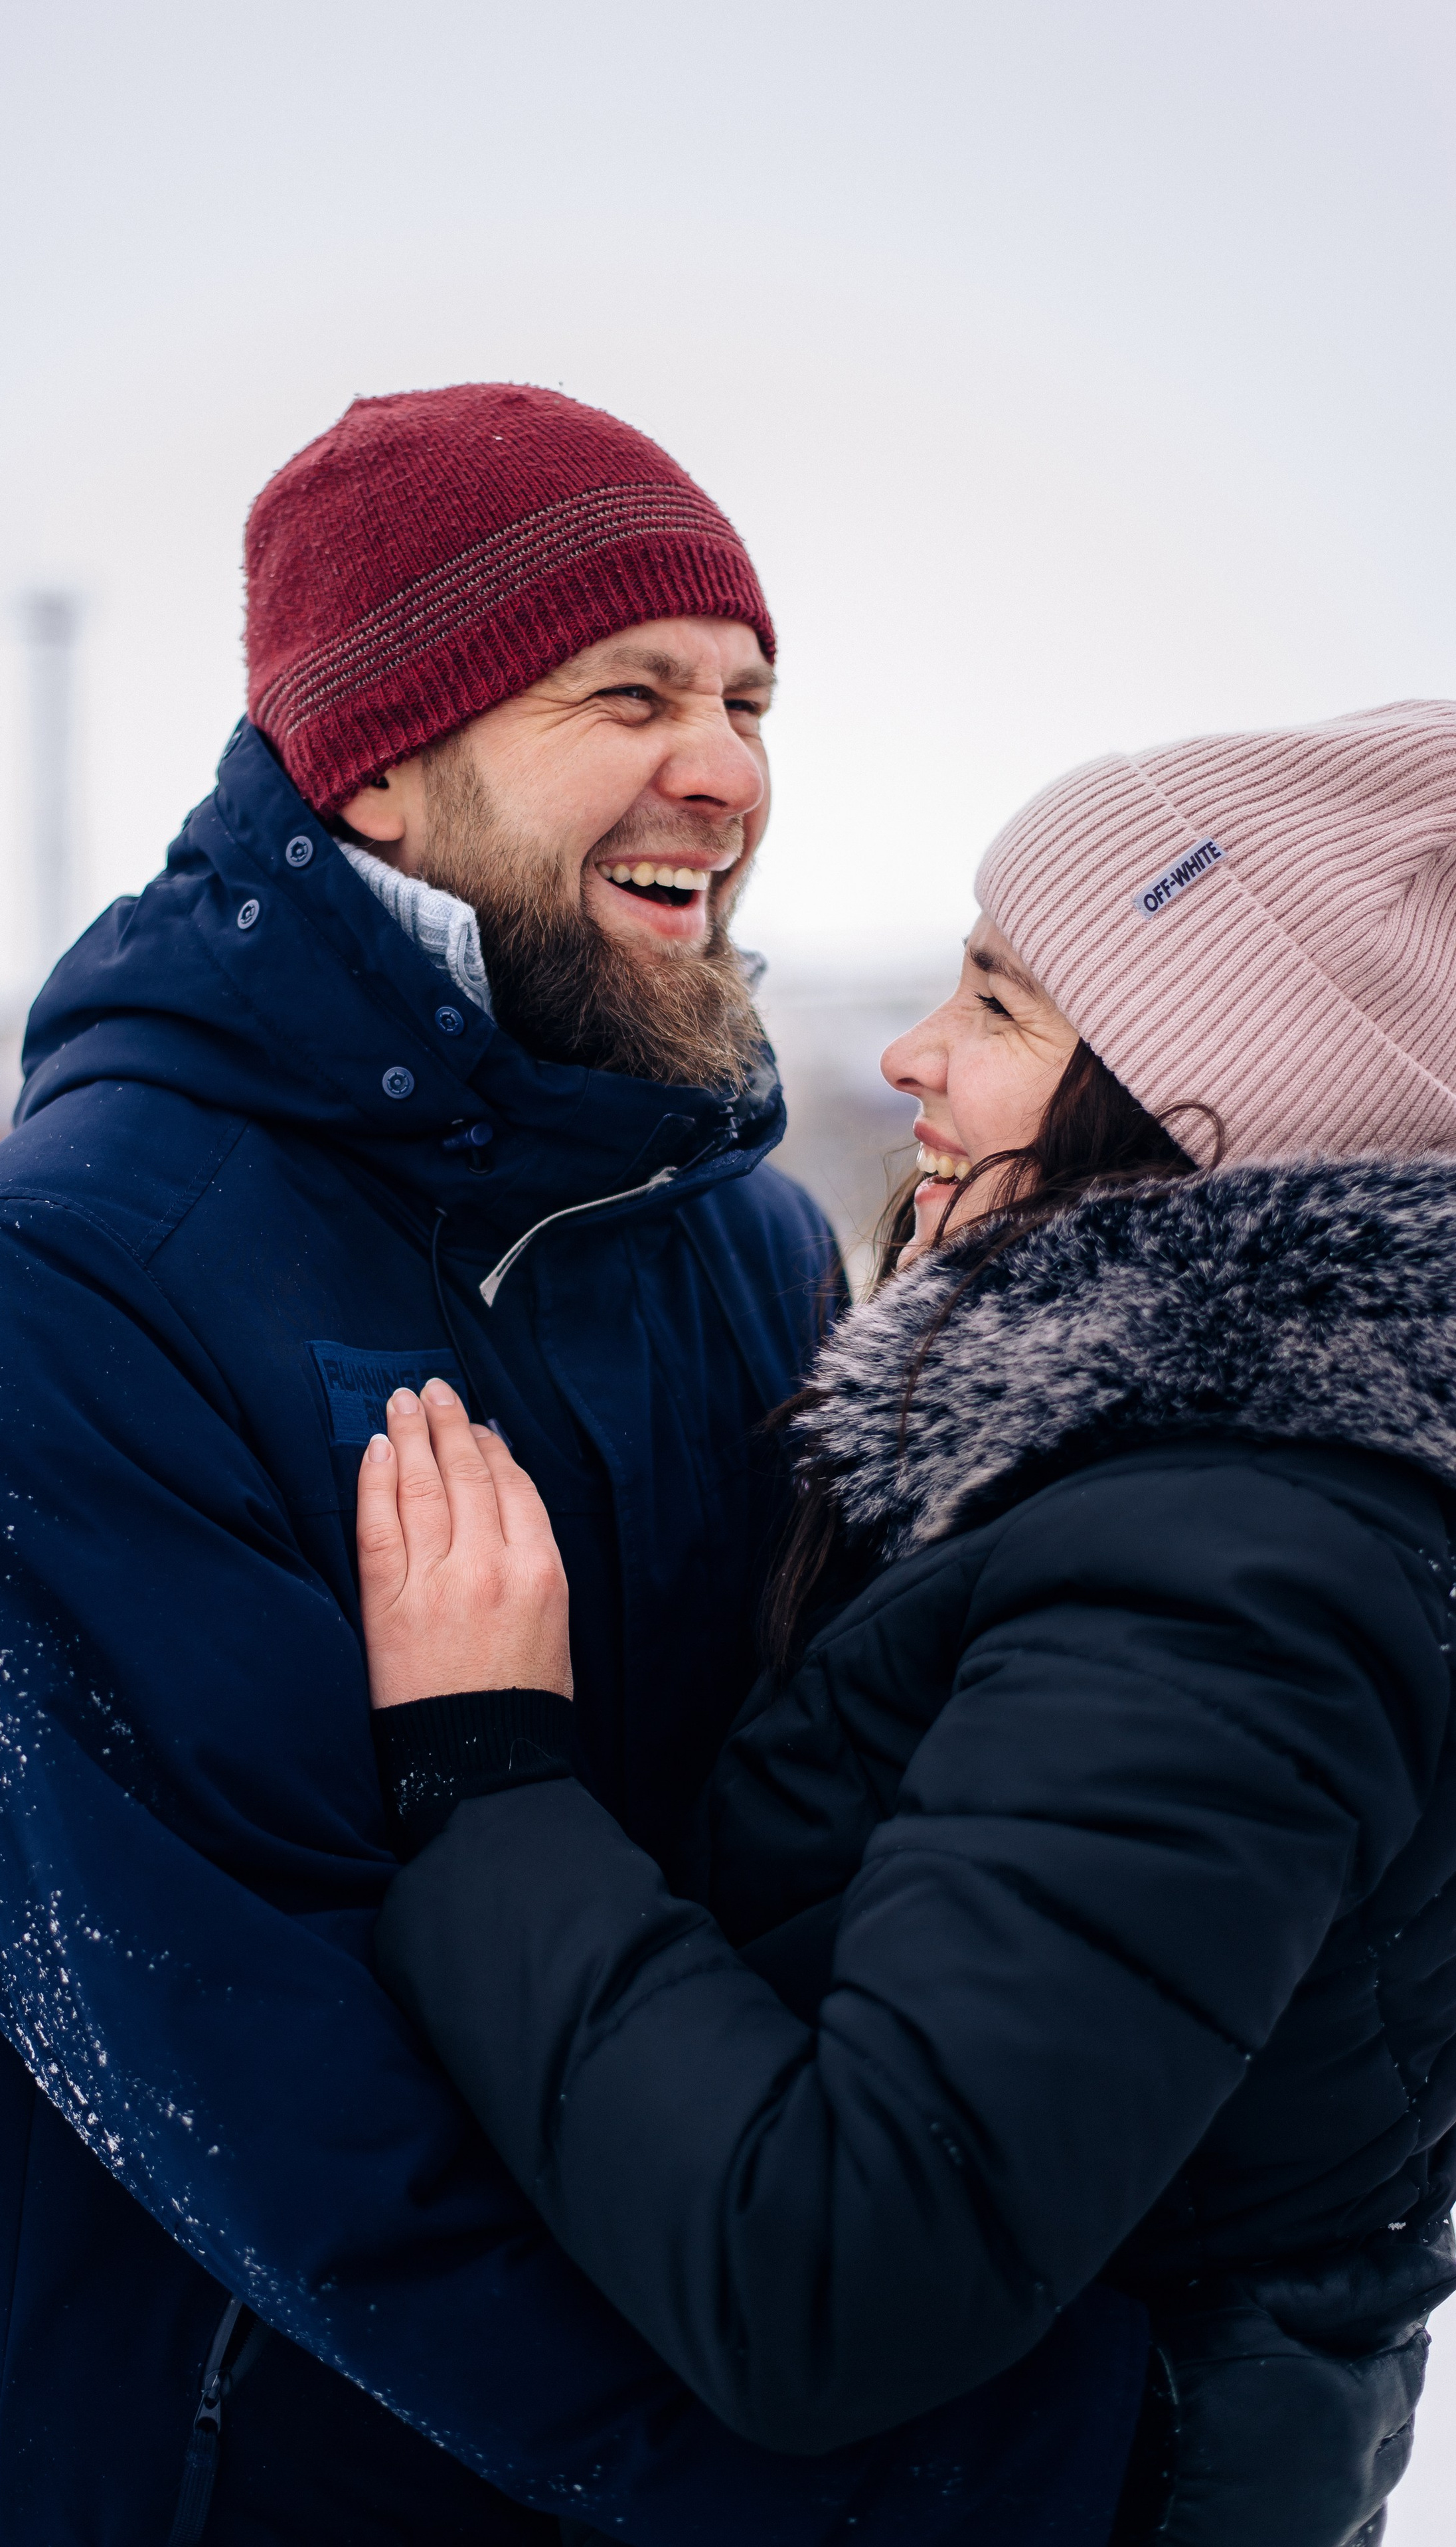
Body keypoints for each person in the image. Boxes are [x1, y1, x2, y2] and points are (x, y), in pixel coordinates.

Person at [0, 384, 1143, 2545]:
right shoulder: (60, 1311)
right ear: (384, 770)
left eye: (746, 694)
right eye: (628, 692)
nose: (726, 764)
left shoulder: (737, 1237)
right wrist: (933, 2491)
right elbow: (292, 2127)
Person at [364, 700, 1456, 2547]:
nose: (909, 1055)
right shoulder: (1230, 1491)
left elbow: (837, 2274)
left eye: (1002, 1006)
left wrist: (490, 1783)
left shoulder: (1221, 1576)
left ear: (1206, 1106)